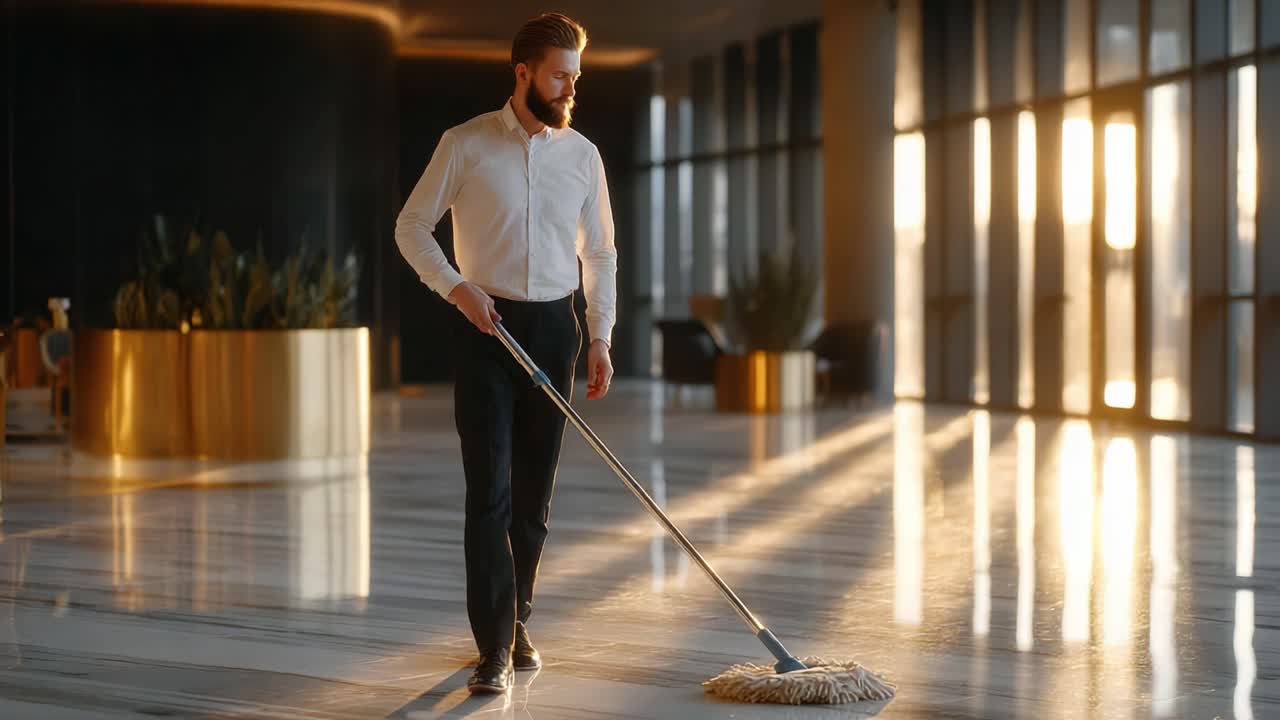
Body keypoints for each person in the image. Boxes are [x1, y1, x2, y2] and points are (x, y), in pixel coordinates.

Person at [394, 12, 617, 695]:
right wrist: (457, 288)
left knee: (532, 501)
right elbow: (411, 227)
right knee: (488, 493)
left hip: (556, 331)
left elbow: (600, 251)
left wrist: (601, 334)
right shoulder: (463, 145)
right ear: (522, 73)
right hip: (485, 330)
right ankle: (492, 647)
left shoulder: (582, 156)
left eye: (575, 74)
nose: (570, 85)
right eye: (559, 73)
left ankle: (517, 619)